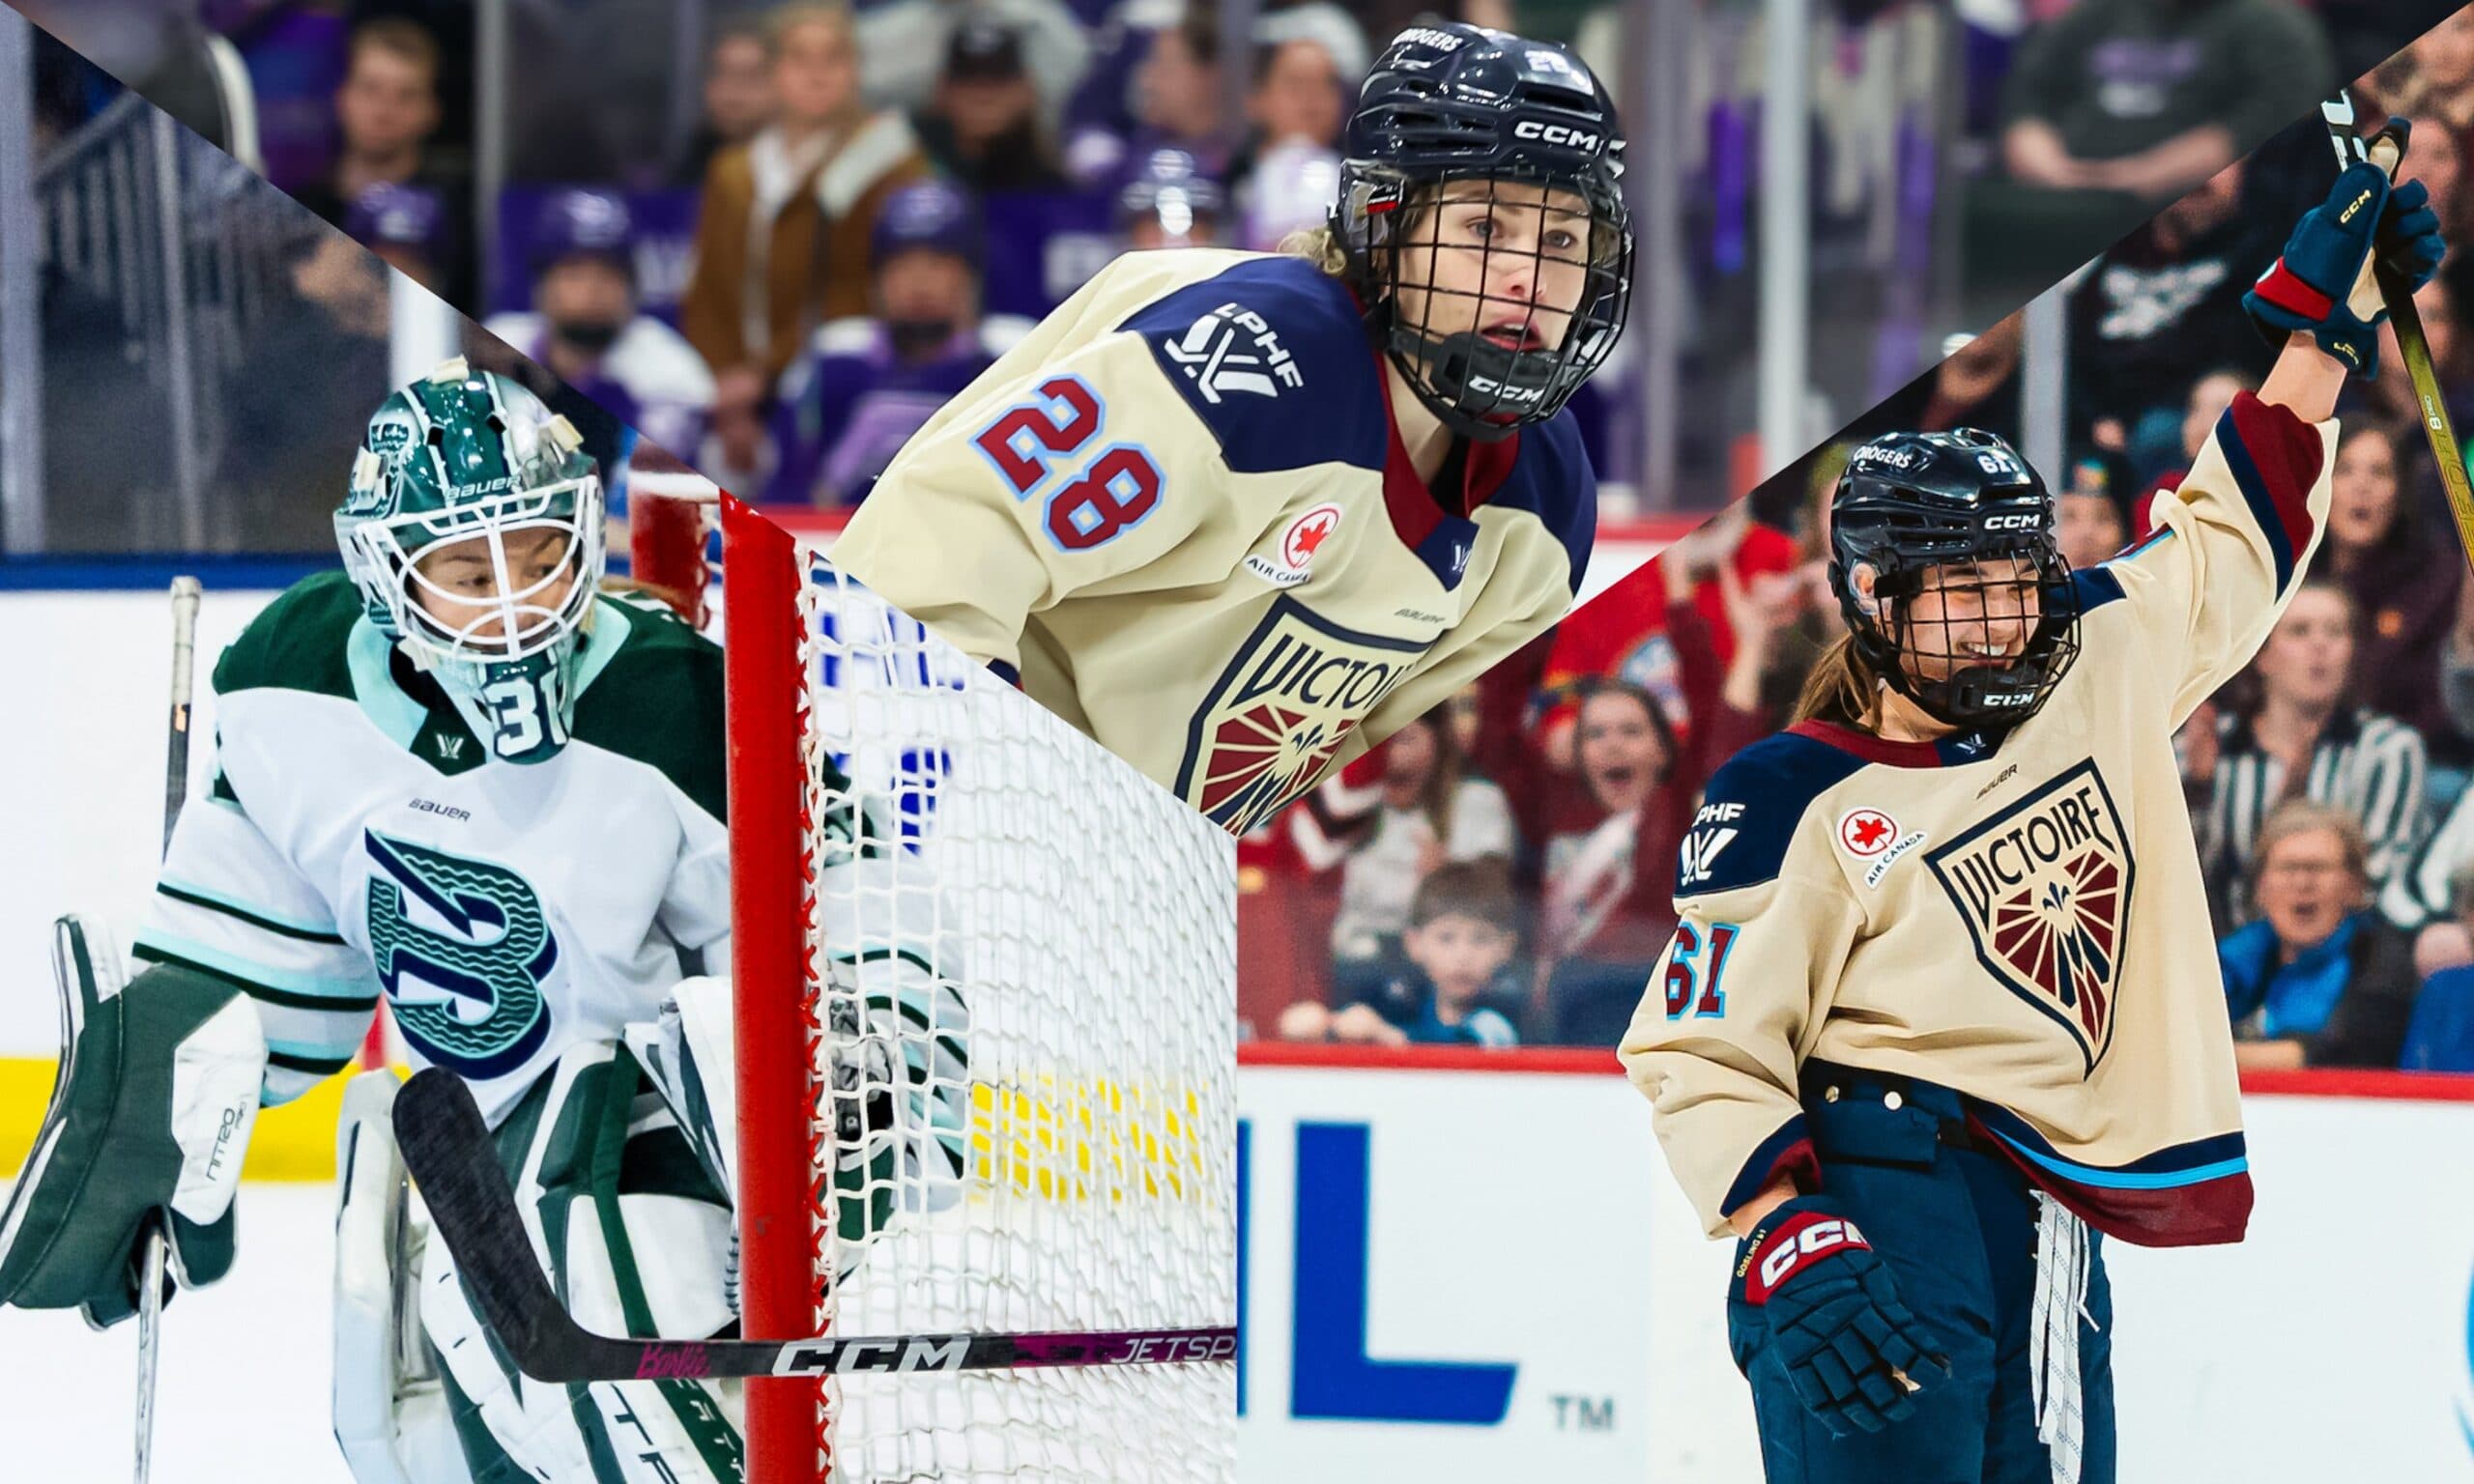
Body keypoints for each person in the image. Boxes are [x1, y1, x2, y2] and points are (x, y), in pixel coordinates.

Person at [1621, 152, 2440, 1484]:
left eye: (2018, 580)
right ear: (1871, 600)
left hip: (2047, 1210)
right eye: (1959, 591)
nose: (2002, 617)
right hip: (1874, 1198)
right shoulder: (1786, 792)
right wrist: (1780, 1224)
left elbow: (2237, 531)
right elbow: (1697, 1044)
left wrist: (2326, 328)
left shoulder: (2096, 658)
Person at [0, 360, 956, 1483]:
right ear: (383, 572)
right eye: (465, 564)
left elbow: (862, 910)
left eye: (539, 552)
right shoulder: (290, 688)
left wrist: (869, 1038)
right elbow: (256, 974)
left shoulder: (679, 704)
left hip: (669, 1170)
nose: (514, 596)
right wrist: (169, 1086)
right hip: (466, 1181)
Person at [831, 22, 1634, 836]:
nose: (1528, 276)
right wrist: (942, 810)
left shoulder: (1547, 508)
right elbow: (945, 545)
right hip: (978, 816)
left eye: (1563, 238)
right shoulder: (1250, 358)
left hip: (1158, 887)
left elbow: (1345, 765)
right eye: (1483, 230)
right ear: (1384, 230)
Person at [678, 1, 932, 479]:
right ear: (774, 73)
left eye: (833, 59)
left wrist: (765, 378)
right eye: (800, 59)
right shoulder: (732, 171)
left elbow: (857, 291)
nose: (818, 75)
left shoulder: (889, 164)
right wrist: (726, 383)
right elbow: (707, 291)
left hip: (835, 389)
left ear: (856, 71)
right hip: (734, 395)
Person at [767, 180, 1024, 505]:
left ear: (969, 277)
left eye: (936, 265)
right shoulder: (833, 362)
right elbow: (782, 496)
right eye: (902, 266)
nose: (919, 283)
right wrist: (840, 475)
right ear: (876, 280)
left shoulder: (1011, 362)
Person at [2198, 580, 2426, 927]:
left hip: (2346, 961)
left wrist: (2293, 814)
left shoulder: (2389, 750)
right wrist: (2197, 791)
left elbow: (2377, 880)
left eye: (2335, 632)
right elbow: (2183, 884)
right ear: (2261, 653)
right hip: (2222, 955)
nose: (2319, 645)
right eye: (2299, 631)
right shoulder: (2211, 746)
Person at [484, 189, 717, 469]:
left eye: (608, 274)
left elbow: (651, 477)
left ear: (632, 288)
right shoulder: (502, 339)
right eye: (574, 273)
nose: (592, 288)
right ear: (543, 285)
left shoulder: (670, 367)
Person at [2218, 800, 2421, 1070]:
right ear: (2261, 887)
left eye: (2318, 868)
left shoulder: (2382, 961)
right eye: (2288, 868)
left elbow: (2340, 1053)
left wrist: (2213, 1060)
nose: (2303, 884)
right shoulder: (2230, 959)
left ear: (2354, 885)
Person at [1279, 859, 1525, 1047]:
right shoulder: (1406, 1004)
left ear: (1505, 948)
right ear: (1414, 944)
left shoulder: (1507, 1013)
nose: (1463, 956)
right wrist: (1328, 1026)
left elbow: (1460, 1053)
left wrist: (1383, 1035)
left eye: (1480, 940)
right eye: (1446, 939)